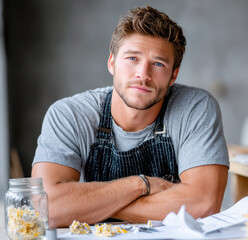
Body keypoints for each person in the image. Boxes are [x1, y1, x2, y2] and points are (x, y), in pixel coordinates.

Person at [31, 6, 229, 228]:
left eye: (158, 64)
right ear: (112, 63)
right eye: (132, 58)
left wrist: (90, 205)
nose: (143, 74)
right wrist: (140, 184)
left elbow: (204, 204)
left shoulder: (195, 108)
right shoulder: (69, 115)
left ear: (174, 74)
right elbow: (46, 208)